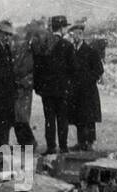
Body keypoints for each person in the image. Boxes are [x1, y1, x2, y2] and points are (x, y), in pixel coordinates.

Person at [34, 15, 75, 154]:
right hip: (62, 90)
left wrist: (38, 86)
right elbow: (73, 69)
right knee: (62, 118)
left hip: (47, 90)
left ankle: (51, 146)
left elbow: (37, 67)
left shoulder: (44, 43)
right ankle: (63, 147)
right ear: (63, 28)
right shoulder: (68, 46)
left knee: (49, 119)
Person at [67, 22, 103, 151]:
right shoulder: (71, 50)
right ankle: (81, 142)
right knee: (79, 117)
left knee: (89, 117)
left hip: (88, 90)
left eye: (78, 34)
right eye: (74, 35)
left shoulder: (91, 51)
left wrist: (89, 80)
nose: (75, 37)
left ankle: (90, 142)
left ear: (82, 35)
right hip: (75, 90)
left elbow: (99, 70)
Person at [10, 22, 37, 148]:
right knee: (18, 116)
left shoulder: (31, 50)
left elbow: (33, 70)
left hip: (24, 86)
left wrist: (24, 81)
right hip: (18, 86)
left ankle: (29, 141)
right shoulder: (21, 49)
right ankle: (25, 141)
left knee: (21, 116)